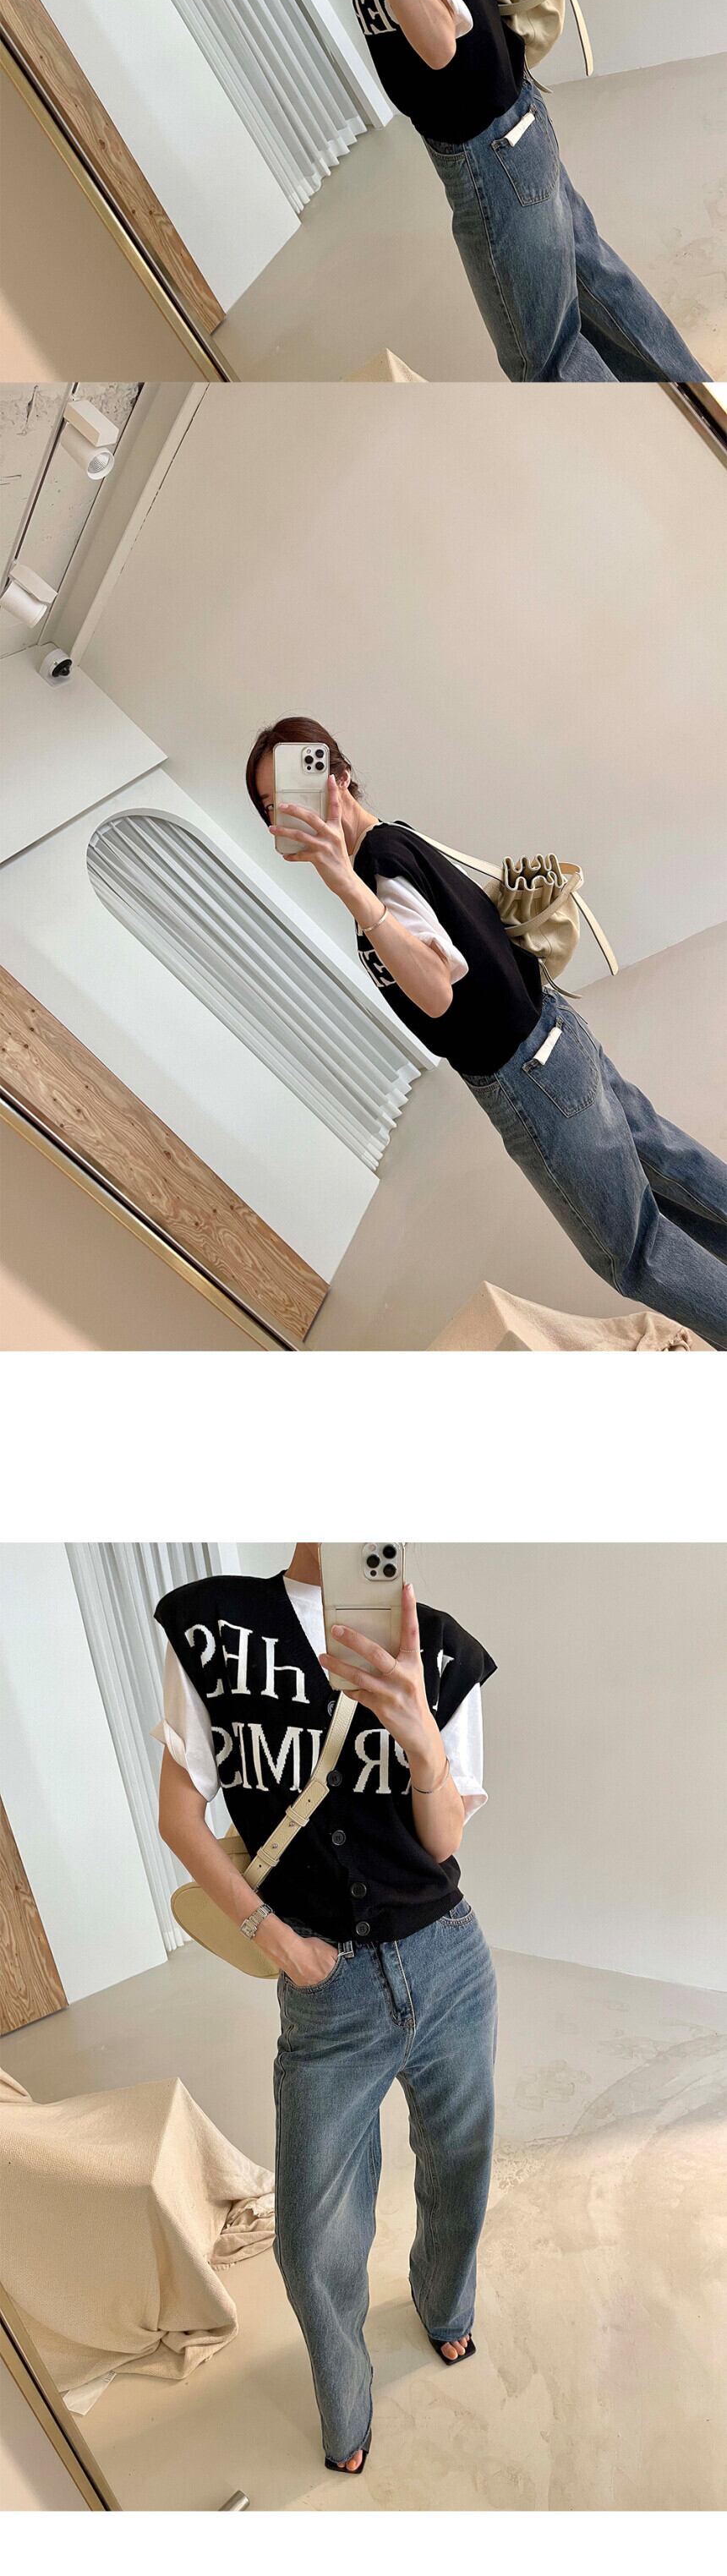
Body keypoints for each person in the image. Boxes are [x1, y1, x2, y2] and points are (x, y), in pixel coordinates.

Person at [155, 1542, 498, 2476]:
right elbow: (180, 1815)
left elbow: (442, 1839)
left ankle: (445, 2305)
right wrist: (271, 1934)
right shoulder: (213, 1626)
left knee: (460, 2165)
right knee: (311, 2232)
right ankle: (345, 2398)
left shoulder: (446, 1649)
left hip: (448, 1960)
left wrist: (419, 1733)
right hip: (325, 1985)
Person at [246, 716, 727, 1350]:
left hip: (529, 1074)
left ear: (337, 776)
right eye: (269, 803)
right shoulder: (395, 838)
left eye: (292, 785)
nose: (284, 808)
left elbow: (437, 990)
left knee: (637, 1252)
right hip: (557, 1035)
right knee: (669, 1163)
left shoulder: (376, 866)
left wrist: (345, 885)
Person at [273, 0, 709, 390]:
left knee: (545, 359)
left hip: (488, 155)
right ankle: (705, 411)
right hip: (517, 128)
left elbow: (439, 44)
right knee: (597, 285)